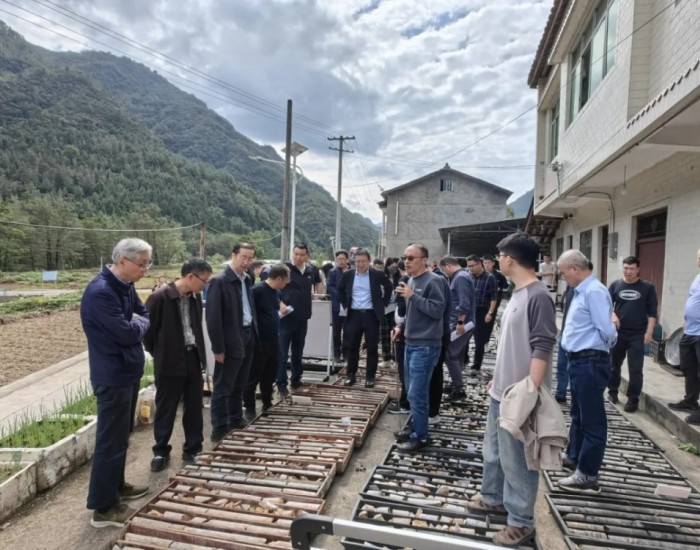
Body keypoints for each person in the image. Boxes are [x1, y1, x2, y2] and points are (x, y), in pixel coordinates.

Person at [467, 233, 557, 547]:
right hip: (501, 390)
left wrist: (530, 390)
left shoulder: (538, 295)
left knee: (519, 461)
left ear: (512, 258)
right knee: (493, 452)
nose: (498, 259)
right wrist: (495, 377)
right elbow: (510, 345)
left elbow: (543, 345)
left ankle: (520, 521)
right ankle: (492, 497)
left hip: (520, 396)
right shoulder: (516, 292)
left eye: (501, 254)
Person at [80, 238, 152, 528]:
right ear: (123, 260)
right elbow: (126, 333)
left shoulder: (125, 285)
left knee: (121, 437)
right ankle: (103, 508)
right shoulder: (101, 292)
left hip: (127, 371)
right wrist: (137, 326)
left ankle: (117, 486)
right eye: (142, 264)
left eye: (148, 264)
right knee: (109, 441)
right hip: (112, 375)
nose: (146, 269)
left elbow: (143, 313)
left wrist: (137, 324)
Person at [144, 259, 212, 472]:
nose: (205, 286)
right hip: (168, 361)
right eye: (204, 281)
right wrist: (162, 353)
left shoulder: (194, 296)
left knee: (194, 405)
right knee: (166, 407)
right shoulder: (160, 297)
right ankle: (160, 451)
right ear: (190, 276)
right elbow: (147, 333)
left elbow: (195, 328)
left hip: (192, 357)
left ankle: (193, 448)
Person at [557, 250, 617, 494]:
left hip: (590, 360)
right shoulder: (581, 290)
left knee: (592, 419)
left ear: (574, 269)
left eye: (563, 273)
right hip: (579, 361)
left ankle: (588, 473)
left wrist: (600, 349)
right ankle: (573, 456)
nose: (562, 277)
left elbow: (608, 330)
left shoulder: (594, 291)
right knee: (578, 413)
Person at [392, 244, 446, 452]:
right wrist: (400, 326)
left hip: (425, 346)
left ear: (424, 259)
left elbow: (437, 310)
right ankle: (416, 426)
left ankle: (420, 437)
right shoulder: (412, 280)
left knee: (417, 393)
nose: (406, 261)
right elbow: (413, 312)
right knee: (412, 391)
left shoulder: (435, 281)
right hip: (410, 342)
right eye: (404, 257)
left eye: (411, 258)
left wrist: (413, 296)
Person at [206, 243, 258, 442]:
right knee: (223, 386)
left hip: (248, 335)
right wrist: (218, 347)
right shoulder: (219, 281)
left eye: (250, 258)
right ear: (233, 255)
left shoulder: (247, 279)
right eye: (243, 257)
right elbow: (213, 318)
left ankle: (236, 419)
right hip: (230, 340)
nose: (247, 262)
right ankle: (219, 428)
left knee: (240, 382)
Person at [607, 256, 658, 413]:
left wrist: (649, 333)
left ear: (638, 269)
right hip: (619, 333)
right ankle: (613, 392)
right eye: (626, 268)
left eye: (631, 268)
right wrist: (613, 315)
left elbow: (652, 312)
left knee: (636, 368)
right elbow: (606, 306)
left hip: (638, 334)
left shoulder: (647, 287)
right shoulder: (615, 285)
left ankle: (632, 399)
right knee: (614, 365)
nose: (628, 271)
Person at [339, 248, 392, 387]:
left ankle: (370, 376)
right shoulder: (348, 275)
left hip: (371, 314)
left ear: (369, 261)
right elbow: (339, 289)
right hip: (354, 313)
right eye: (357, 261)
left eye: (363, 261)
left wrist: (383, 303)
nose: (360, 264)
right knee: (352, 346)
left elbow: (389, 287)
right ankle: (351, 374)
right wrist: (345, 304)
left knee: (372, 347)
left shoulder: (377, 274)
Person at [243, 264, 291, 418]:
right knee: (254, 375)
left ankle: (267, 403)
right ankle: (249, 407)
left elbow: (276, 310)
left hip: (274, 338)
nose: (286, 284)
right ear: (278, 278)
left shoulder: (276, 292)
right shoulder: (257, 290)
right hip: (259, 341)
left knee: (270, 374)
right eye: (286, 281)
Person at [277, 243, 324, 396]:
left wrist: (319, 291)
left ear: (307, 256)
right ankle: (281, 383)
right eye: (295, 254)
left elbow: (318, 283)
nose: (298, 257)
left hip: (302, 317)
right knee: (283, 353)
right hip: (285, 318)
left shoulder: (311, 270)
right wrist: (280, 303)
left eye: (301, 255)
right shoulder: (284, 269)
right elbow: (272, 287)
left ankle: (296, 379)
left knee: (298, 352)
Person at [669, 247, 700, 423]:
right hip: (689, 331)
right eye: (699, 257)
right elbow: (691, 298)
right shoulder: (697, 277)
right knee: (688, 368)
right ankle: (690, 401)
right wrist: (686, 319)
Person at [439, 255, 476, 401]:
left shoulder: (460, 278)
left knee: (450, 354)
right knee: (457, 354)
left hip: (462, 323)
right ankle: (456, 383)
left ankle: (459, 389)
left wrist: (460, 322)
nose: (444, 272)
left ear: (448, 265)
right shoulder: (463, 276)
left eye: (443, 269)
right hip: (463, 322)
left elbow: (464, 303)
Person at [465, 255, 497, 375]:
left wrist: (490, 313)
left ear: (480, 264)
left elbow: (493, 298)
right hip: (469, 310)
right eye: (469, 266)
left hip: (482, 311)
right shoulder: (468, 276)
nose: (470, 268)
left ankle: (476, 366)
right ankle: (464, 359)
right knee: (465, 337)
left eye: (472, 266)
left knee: (479, 341)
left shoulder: (490, 278)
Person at [386, 261, 410, 414]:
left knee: (405, 370)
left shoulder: (407, 283)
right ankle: (405, 401)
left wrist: (399, 326)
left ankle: (405, 404)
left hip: (406, 332)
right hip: (403, 328)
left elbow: (401, 307)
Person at [326, 250, 350, 363]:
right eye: (339, 259)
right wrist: (341, 296)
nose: (341, 261)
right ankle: (336, 353)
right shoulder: (332, 272)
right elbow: (330, 286)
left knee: (348, 330)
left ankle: (346, 352)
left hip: (348, 306)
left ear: (347, 260)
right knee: (336, 331)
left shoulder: (351, 272)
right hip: (337, 305)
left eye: (343, 259)